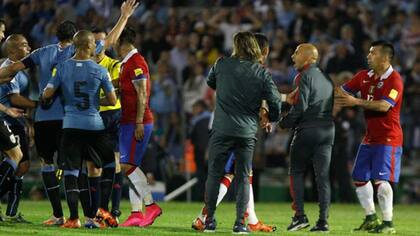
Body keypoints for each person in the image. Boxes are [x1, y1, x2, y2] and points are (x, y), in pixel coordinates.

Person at [0, 0, 138, 225]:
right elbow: (110, 40)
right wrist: (124, 17)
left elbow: (13, 69)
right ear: (76, 38)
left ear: (57, 36)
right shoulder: (80, 53)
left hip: (44, 119)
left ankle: (58, 214)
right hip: (68, 120)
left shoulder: (41, 52)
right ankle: (87, 216)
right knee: (77, 167)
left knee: (47, 164)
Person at [193, 32, 293, 233]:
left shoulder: (221, 64)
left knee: (214, 174)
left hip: (221, 129)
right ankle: (240, 224)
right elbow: (274, 100)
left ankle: (209, 220)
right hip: (246, 132)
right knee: (243, 176)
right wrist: (270, 117)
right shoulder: (260, 72)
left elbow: (211, 83)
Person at [41, 30, 117, 229]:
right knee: (110, 163)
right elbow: (112, 100)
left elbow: (47, 93)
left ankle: (73, 218)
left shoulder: (62, 68)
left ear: (75, 45)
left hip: (71, 125)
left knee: (71, 172)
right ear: (91, 45)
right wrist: (94, 100)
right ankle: (102, 209)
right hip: (94, 126)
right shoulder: (100, 70)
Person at [335, 40, 403, 234]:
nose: (368, 55)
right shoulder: (364, 76)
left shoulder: (394, 79)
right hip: (370, 137)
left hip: (389, 138)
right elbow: (341, 92)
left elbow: (384, 106)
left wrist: (355, 101)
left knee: (381, 181)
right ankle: (371, 218)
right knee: (359, 177)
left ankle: (388, 223)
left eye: (372, 53)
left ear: (385, 57)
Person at [279, 43, 334, 232]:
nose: (293, 56)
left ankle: (299, 216)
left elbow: (300, 108)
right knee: (322, 176)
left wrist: (283, 123)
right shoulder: (326, 77)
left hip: (308, 129)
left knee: (296, 171)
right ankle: (323, 221)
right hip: (327, 129)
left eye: (296, 53)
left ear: (308, 57)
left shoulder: (303, 76)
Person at [114, 27, 162, 227]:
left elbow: (142, 94)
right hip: (128, 121)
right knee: (131, 167)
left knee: (127, 166)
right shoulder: (126, 63)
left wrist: (139, 122)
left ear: (120, 42)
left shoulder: (136, 62)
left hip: (136, 122)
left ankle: (151, 206)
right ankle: (136, 213)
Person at [0, 34, 34, 223]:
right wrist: (39, 104)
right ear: (12, 50)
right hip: (8, 120)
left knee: (21, 164)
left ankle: (12, 212)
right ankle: (12, 213)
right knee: (19, 163)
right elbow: (15, 99)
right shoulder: (9, 69)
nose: (28, 48)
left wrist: (29, 123)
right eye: (24, 45)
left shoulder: (18, 69)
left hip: (16, 120)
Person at [93, 28, 123, 222]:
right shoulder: (85, 64)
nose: (98, 45)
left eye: (102, 41)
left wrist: (93, 96)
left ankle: (116, 207)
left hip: (112, 115)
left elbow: (117, 88)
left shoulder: (113, 64)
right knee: (96, 164)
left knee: (115, 161)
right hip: (93, 116)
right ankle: (97, 207)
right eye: (95, 41)